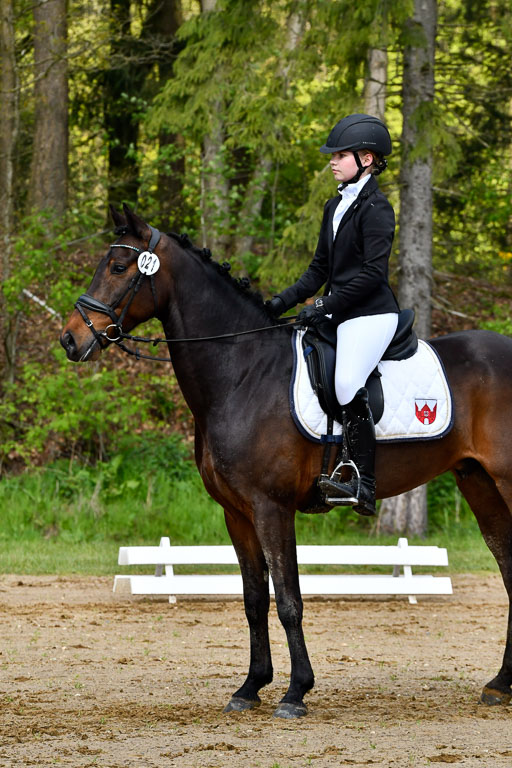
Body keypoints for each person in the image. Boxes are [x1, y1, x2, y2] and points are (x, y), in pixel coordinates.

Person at [267, 113, 400, 516]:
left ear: (366, 158)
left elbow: (373, 275)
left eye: (339, 155)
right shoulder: (335, 205)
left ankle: (363, 482)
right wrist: (279, 302)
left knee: (345, 383)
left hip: (371, 314)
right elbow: (319, 270)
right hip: (340, 312)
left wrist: (324, 305)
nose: (332, 161)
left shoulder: (377, 208)